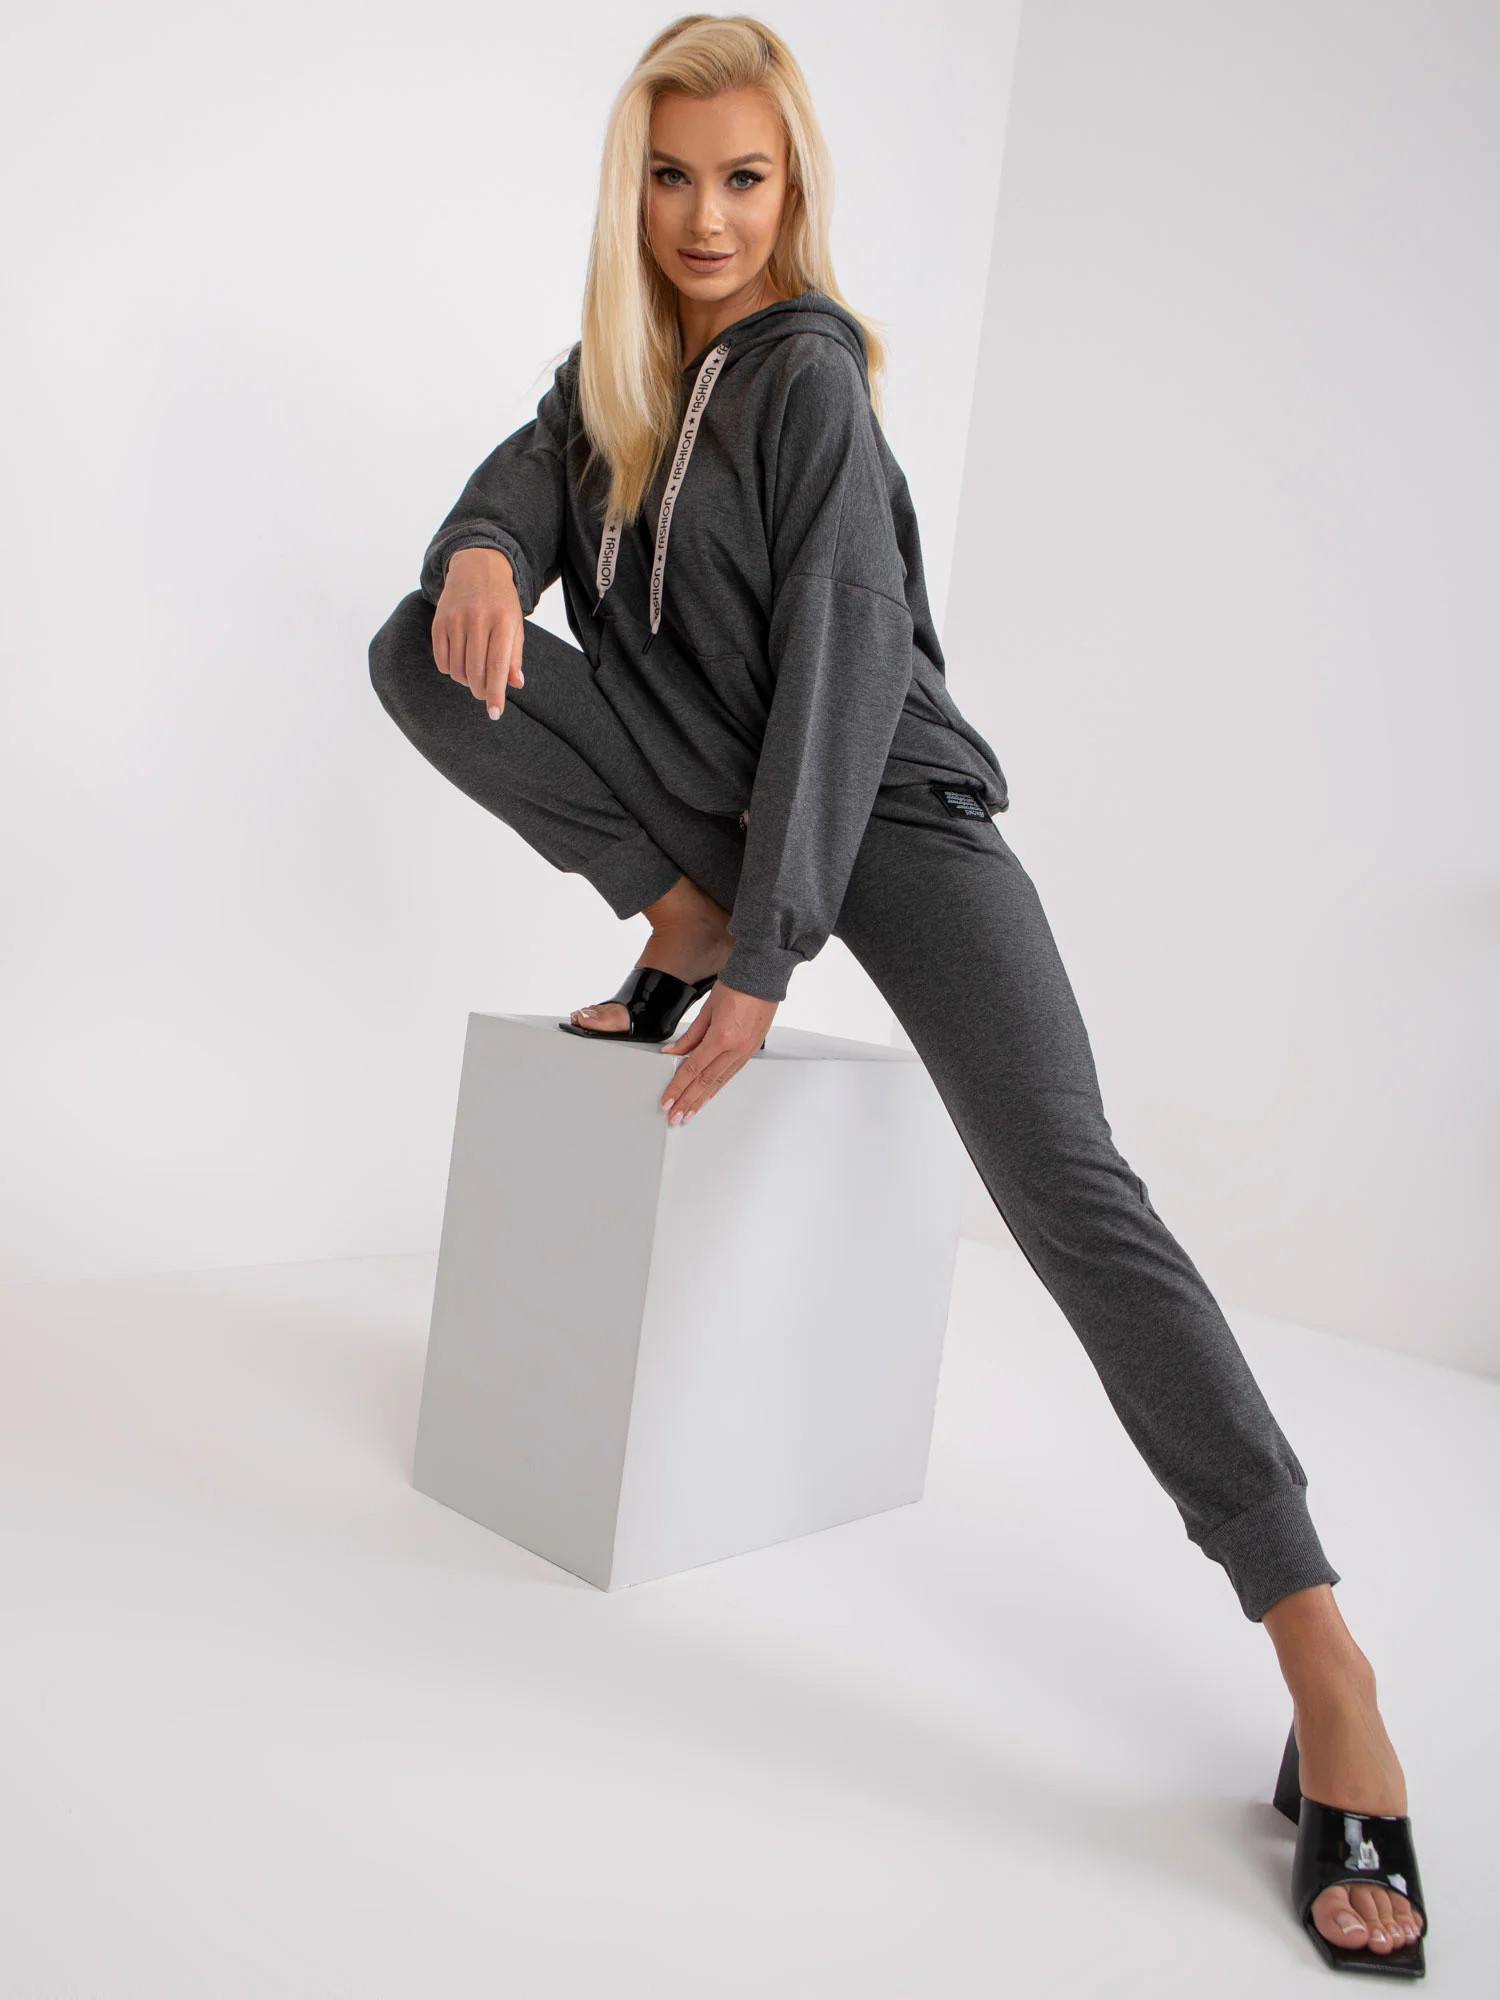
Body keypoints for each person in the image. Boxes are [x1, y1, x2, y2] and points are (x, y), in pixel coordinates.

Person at [368, 12, 1428, 1974]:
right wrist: (492, 549)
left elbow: (848, 670)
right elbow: (505, 496)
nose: (705, 217)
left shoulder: (807, 380)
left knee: (1074, 1192)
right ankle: (676, 914)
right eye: (670, 177)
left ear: (792, 190)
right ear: (629, 188)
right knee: (418, 645)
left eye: (742, 177)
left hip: (889, 811)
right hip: (718, 806)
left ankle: (1324, 1655)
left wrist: (775, 959)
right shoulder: (606, 383)